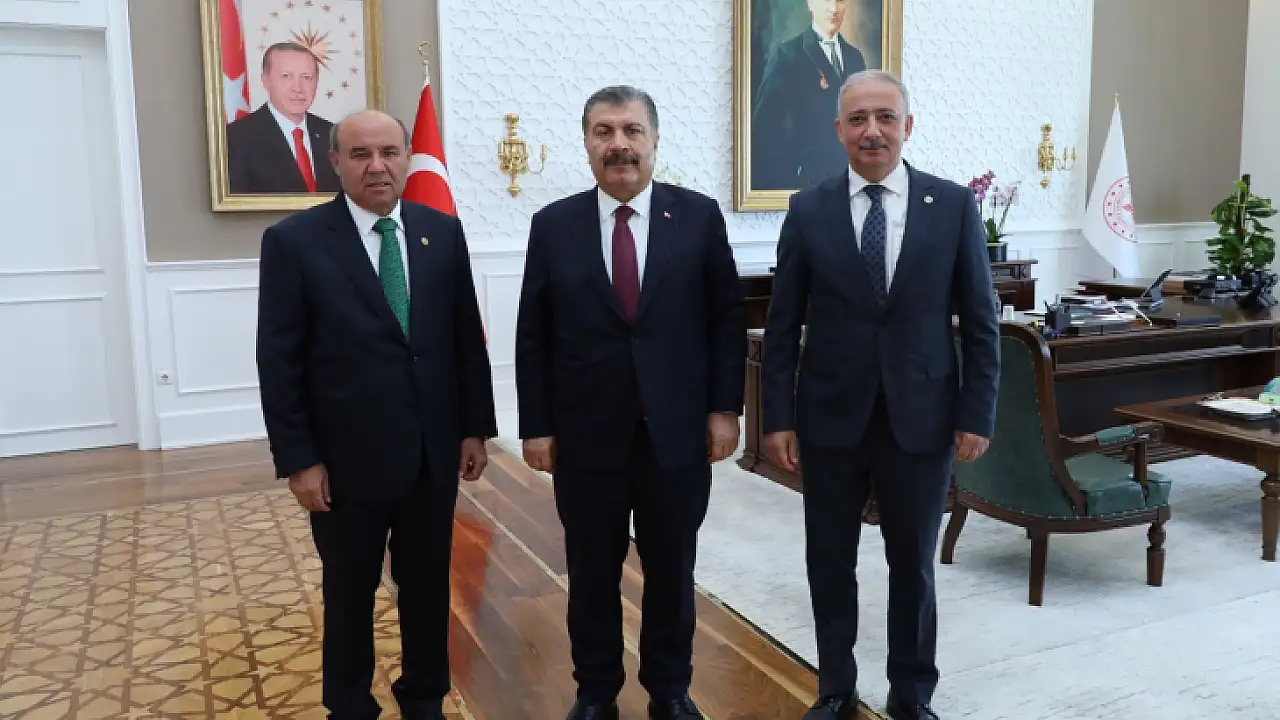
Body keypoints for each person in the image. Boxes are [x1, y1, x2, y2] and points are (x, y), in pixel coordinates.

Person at [760, 70, 999, 720]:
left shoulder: (953, 206)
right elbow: (782, 327)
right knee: (829, 561)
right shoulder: (808, 210)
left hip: (922, 419)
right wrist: (776, 418)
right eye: (859, 119)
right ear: (839, 129)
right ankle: (836, 688)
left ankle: (911, 694)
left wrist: (977, 413)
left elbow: (982, 322)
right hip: (829, 418)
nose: (873, 131)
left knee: (913, 565)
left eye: (886, 117)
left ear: (907, 126)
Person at [514, 85, 746, 720]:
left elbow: (726, 321)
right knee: (591, 570)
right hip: (586, 434)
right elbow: (534, 333)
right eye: (604, 131)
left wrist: (724, 409)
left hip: (678, 433)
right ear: (587, 143)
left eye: (632, 131)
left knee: (672, 569)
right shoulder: (553, 225)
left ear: (654, 141)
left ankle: (669, 690)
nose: (619, 145)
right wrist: (536, 425)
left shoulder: (697, 216)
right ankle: (595, 691)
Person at [256, 108, 496, 720]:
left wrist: (474, 427)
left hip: (431, 456)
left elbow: (464, 338)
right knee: (349, 593)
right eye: (361, 154)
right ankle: (349, 706)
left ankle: (424, 699)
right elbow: (279, 362)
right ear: (335, 161)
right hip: (345, 465)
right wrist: (300, 459)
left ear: (407, 157)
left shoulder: (440, 232)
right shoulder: (294, 243)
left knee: (427, 586)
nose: (377, 166)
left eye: (389, 152)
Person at [752, 0, 867, 190]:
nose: (834, 9)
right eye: (826, 1)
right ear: (810, 3)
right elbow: (765, 125)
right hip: (805, 182)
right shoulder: (786, 55)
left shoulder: (855, 57)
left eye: (839, 1)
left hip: (848, 182)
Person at [227, 42, 341, 194]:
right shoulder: (236, 138)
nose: (298, 88)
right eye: (286, 76)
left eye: (307, 78)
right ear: (266, 81)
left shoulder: (333, 134)